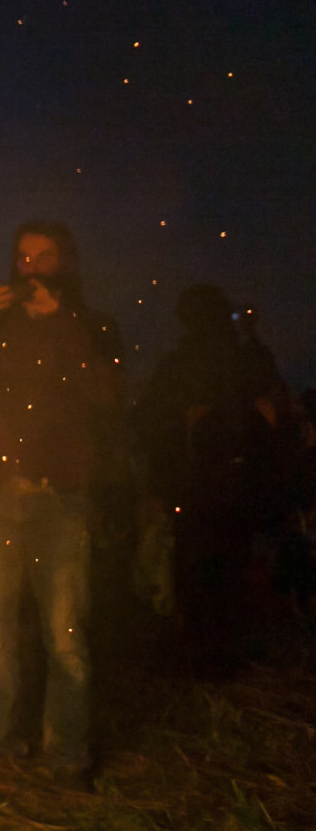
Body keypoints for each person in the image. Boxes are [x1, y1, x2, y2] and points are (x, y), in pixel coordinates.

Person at [0, 221, 122, 783]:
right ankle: (4, 744)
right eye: (24, 258)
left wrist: (63, 324)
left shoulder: (90, 325)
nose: (32, 268)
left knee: (66, 639)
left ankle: (67, 754)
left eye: (45, 257)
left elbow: (107, 396)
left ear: (67, 262)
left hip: (60, 499)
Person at [137, 285, 293, 676]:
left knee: (204, 570)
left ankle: (209, 655)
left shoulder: (225, 358)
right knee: (216, 569)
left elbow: (270, 413)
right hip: (217, 484)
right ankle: (215, 655)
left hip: (213, 484)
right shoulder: (230, 358)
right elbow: (160, 423)